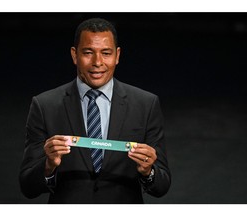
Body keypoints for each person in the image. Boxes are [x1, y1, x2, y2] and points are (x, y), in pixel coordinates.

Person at [19, 17, 171, 204]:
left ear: (117, 55)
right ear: (75, 55)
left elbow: (162, 185)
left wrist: (149, 172)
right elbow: (27, 186)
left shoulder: (146, 104)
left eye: (106, 53)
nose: (97, 62)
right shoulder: (44, 105)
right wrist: (48, 166)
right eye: (88, 52)